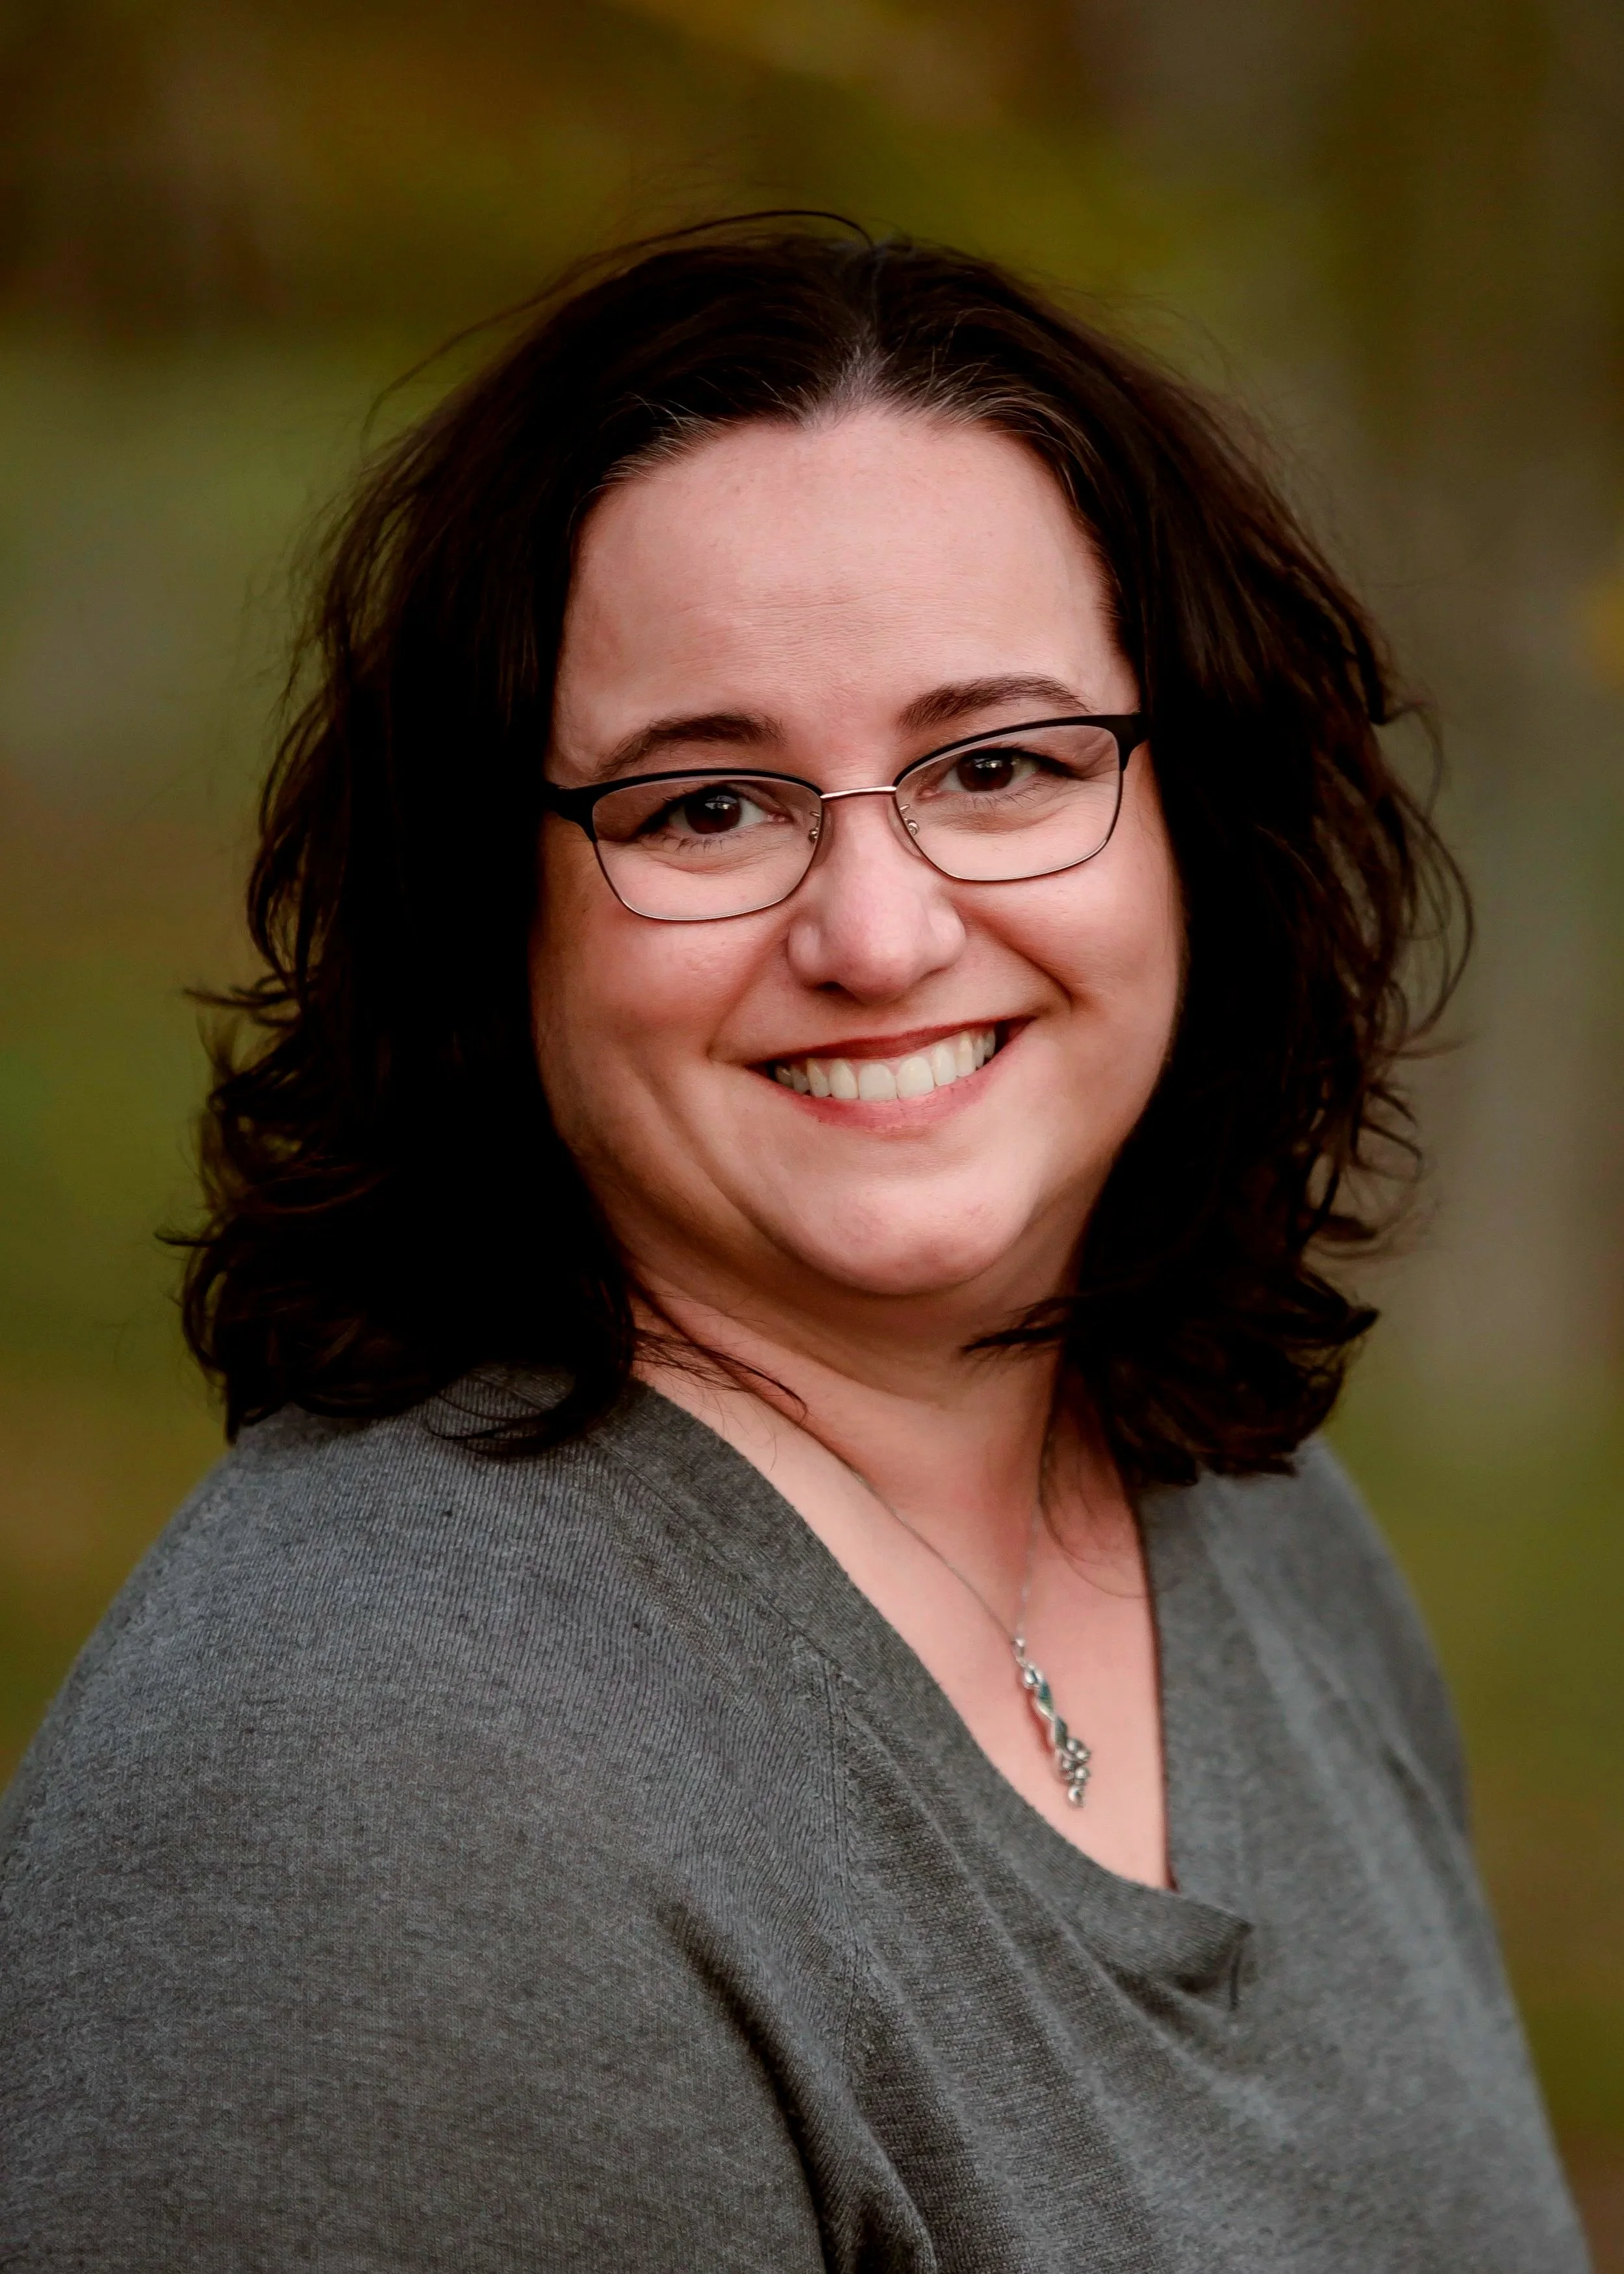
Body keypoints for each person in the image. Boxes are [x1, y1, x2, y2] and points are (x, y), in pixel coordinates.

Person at [0, 220, 1588, 2271]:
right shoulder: (385, 1802)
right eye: (706, 808)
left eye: (1001, 766)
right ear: (498, 913)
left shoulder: (1258, 1522)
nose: (875, 934)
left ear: (1198, 819)